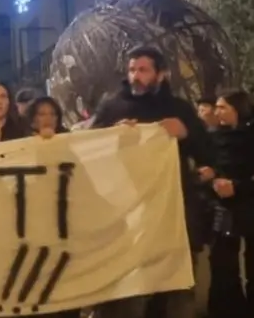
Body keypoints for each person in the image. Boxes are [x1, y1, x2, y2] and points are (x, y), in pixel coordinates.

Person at [89, 46, 208, 318]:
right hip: (129, 217)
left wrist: (185, 133)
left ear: (161, 74)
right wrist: (111, 136)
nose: (135, 76)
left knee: (178, 290)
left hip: (174, 212)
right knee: (131, 293)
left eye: (143, 70)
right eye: (132, 70)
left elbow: (207, 151)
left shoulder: (178, 109)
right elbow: (90, 148)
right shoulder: (112, 106)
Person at [205, 90, 254, 318]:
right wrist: (213, 180)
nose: (216, 111)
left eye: (222, 107)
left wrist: (239, 186)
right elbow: (209, 167)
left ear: (237, 109)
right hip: (224, 211)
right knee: (224, 268)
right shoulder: (214, 138)